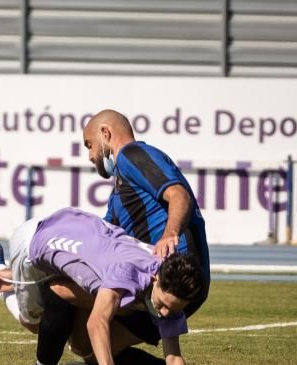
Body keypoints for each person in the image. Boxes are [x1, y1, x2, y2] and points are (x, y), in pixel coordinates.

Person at [0, 207, 225, 365]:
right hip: (32, 244)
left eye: (172, 309)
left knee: (82, 319)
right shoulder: (126, 273)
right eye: (162, 304)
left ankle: (12, 279)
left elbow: (173, 357)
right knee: (35, 322)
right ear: (155, 277)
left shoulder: (167, 281)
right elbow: (97, 322)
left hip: (70, 227)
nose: (163, 313)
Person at [82, 108, 210, 315]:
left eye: (89, 145)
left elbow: (179, 195)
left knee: (66, 303)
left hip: (176, 279)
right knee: (84, 341)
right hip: (160, 279)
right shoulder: (120, 187)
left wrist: (170, 234)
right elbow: (104, 235)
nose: (90, 155)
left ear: (105, 133)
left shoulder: (132, 155)